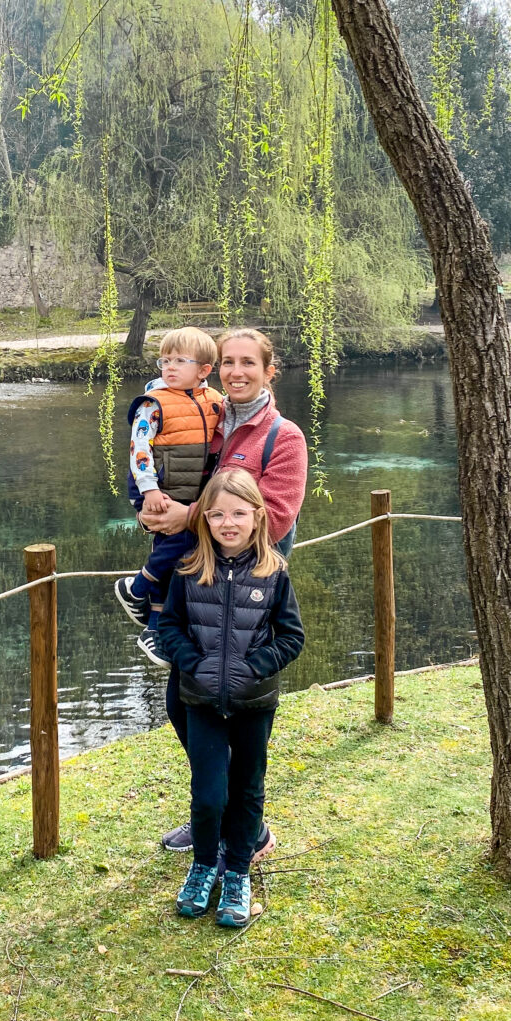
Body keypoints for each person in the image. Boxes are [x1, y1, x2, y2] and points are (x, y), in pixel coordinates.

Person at [141, 327, 308, 856]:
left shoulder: (283, 438)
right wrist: (153, 507)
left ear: (268, 370)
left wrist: (184, 517)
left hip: (250, 600)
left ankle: (245, 826)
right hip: (199, 587)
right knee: (182, 701)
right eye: (229, 361)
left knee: (238, 711)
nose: (237, 371)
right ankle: (213, 806)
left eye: (249, 363)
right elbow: (176, 473)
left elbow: (276, 518)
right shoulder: (209, 420)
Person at [157, 469, 305, 927]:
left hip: (253, 706)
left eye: (238, 513)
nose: (228, 523)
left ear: (257, 516)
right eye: (218, 514)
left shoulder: (274, 574)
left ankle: (238, 871)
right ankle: (202, 866)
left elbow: (290, 637)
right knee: (207, 795)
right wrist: (196, 666)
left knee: (245, 790)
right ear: (204, 519)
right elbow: (169, 630)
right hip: (201, 703)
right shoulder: (188, 572)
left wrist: (251, 668)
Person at [114, 328, 223, 666]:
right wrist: (149, 490)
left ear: (204, 370)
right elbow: (139, 448)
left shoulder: (213, 400)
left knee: (182, 554)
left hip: (188, 489)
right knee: (177, 542)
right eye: (165, 360)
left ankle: (154, 621)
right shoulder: (154, 403)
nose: (169, 367)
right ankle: (140, 589)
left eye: (180, 361)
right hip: (158, 487)